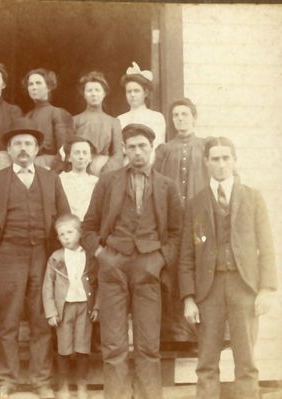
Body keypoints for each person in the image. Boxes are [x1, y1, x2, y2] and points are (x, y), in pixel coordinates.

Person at [82, 124, 183, 399]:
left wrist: (160, 259)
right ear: (124, 150)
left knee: (148, 344)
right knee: (113, 345)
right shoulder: (108, 181)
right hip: (113, 265)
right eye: (132, 147)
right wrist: (103, 256)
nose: (138, 152)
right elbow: (88, 227)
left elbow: (177, 233)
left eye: (143, 147)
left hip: (149, 266)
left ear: (151, 149)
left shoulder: (167, 186)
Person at [0, 117, 70, 399]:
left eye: (29, 143)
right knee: (8, 319)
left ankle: (41, 380)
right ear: (8, 149)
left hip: (43, 255)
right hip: (8, 255)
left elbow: (64, 218)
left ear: (38, 149)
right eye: (17, 144)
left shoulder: (51, 180)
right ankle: (6, 380)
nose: (23, 149)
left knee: (42, 319)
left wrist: (63, 253)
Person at [178, 137, 277, 399]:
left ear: (234, 160)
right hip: (208, 291)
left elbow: (266, 246)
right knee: (207, 361)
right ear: (206, 162)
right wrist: (188, 298)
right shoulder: (196, 203)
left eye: (226, 158)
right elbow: (186, 255)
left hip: (243, 286)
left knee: (245, 360)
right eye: (215, 159)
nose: (221, 164)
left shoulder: (252, 198)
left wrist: (266, 289)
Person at [153, 98, 209, 344]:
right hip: (173, 220)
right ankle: (174, 332)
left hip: (201, 218)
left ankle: (203, 330)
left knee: (201, 267)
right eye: (176, 115)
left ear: (194, 117)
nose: (180, 119)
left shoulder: (206, 146)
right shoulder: (165, 150)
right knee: (173, 270)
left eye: (185, 114)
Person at [42, 214, 98, 399]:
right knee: (64, 348)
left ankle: (82, 385)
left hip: (84, 307)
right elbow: (47, 286)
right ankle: (63, 385)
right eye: (61, 234)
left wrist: (97, 307)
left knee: (82, 347)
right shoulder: (56, 258)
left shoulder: (89, 256)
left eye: (70, 232)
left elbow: (99, 283)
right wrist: (51, 311)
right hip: (64, 309)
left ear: (80, 233)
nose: (66, 237)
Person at [73, 71, 123, 174]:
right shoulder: (75, 120)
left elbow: (118, 154)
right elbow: (68, 151)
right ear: (84, 94)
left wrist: (105, 173)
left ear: (104, 93)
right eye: (89, 90)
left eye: (97, 90)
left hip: (104, 170)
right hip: (80, 169)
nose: (93, 94)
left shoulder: (113, 122)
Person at [24, 68, 73, 169]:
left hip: (50, 165)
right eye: (30, 84)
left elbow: (64, 149)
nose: (33, 87)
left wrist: (53, 171)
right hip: (29, 166)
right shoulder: (28, 116)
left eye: (38, 83)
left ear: (48, 87)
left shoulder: (57, 113)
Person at [117, 62, 166, 153]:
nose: (132, 95)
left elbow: (157, 147)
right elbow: (118, 149)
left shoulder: (156, 117)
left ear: (146, 93)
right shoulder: (120, 119)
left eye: (136, 91)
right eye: (129, 91)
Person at [58, 136, 99, 221]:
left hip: (89, 226)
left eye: (85, 153)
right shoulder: (60, 179)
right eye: (77, 152)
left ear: (90, 158)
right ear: (69, 157)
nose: (81, 157)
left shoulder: (96, 182)